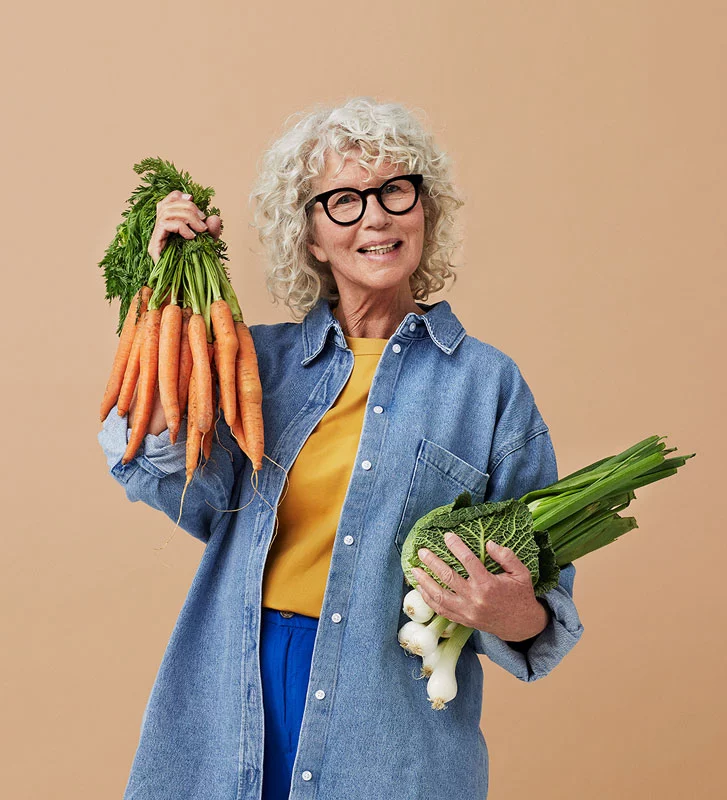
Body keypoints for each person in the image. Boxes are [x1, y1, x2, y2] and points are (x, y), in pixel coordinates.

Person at [98, 97, 584, 800]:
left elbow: (547, 607)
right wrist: (164, 293)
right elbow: (174, 480)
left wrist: (512, 612)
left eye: (395, 191)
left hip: (386, 723)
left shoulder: (488, 386)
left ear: (426, 212)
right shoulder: (253, 364)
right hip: (235, 690)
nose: (377, 216)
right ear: (313, 237)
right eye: (344, 201)